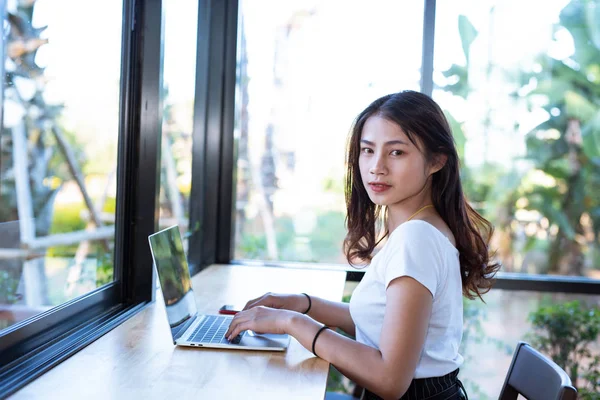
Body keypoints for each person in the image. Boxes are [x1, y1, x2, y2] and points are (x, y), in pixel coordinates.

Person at [225, 90, 500, 400]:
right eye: (368, 150)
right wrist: (302, 303)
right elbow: (381, 321)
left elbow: (390, 380)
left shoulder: (417, 239)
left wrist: (292, 322)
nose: (376, 167)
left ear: (436, 161)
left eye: (396, 152)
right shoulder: (420, 229)